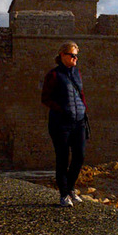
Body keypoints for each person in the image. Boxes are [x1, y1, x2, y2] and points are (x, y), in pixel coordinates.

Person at [41, 42, 88, 207]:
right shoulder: (53, 75)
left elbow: (80, 94)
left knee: (79, 156)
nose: (75, 58)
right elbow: (45, 98)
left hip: (79, 121)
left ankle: (70, 188)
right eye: (72, 55)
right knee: (62, 159)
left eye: (76, 55)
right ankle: (64, 194)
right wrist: (62, 110)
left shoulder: (77, 74)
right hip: (61, 124)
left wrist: (83, 109)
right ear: (62, 55)